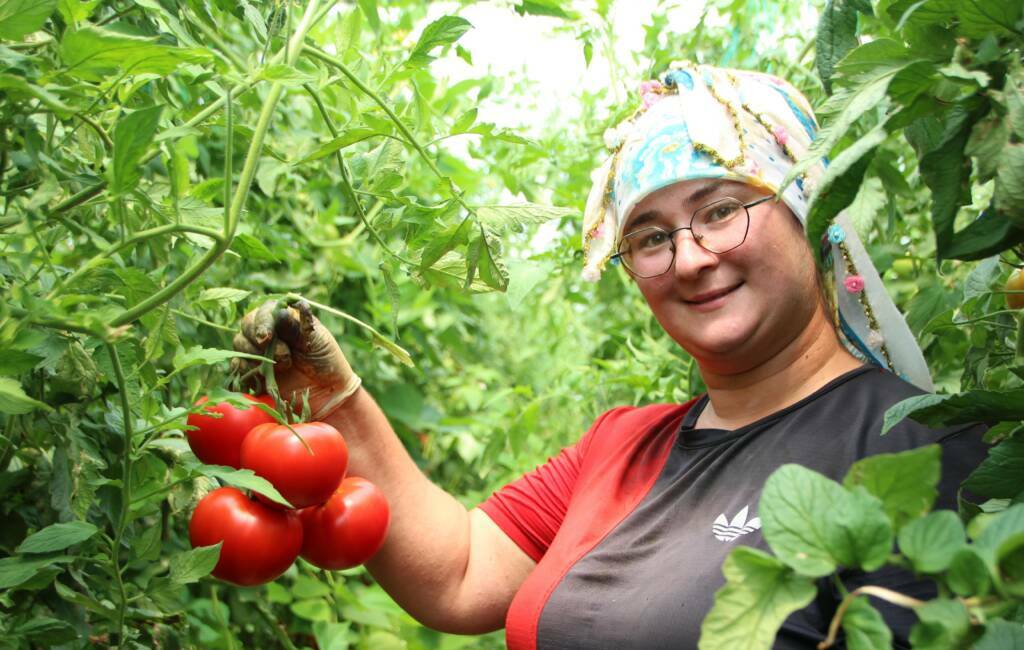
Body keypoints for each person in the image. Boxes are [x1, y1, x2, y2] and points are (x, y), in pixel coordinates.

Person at [233, 62, 988, 648]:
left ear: (810, 213)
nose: (689, 258)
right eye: (651, 237)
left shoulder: (915, 447)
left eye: (721, 211)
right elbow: (459, 572)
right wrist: (333, 401)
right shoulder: (624, 445)